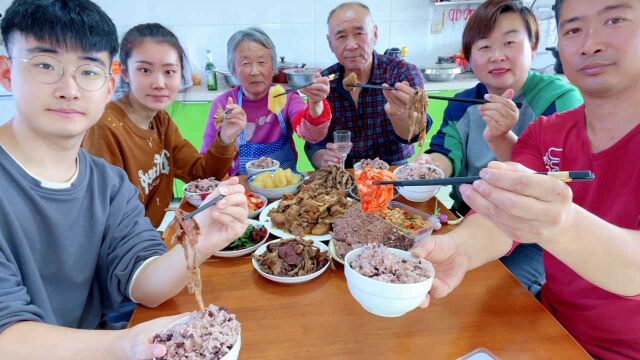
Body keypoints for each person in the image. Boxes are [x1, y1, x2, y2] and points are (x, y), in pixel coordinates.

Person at [0, 1, 247, 358]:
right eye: (44, 65)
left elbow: (146, 282)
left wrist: (202, 241)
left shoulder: (109, 183)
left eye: (88, 71)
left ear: (108, 82)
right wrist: (124, 344)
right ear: (7, 72)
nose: (69, 89)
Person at [412, 0, 640, 358]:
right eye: (574, 29)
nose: (590, 43)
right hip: (552, 329)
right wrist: (459, 249)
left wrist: (559, 224)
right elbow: (506, 212)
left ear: (533, 48)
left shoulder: (551, 100)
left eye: (614, 19)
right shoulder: (544, 133)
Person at [418, 0, 583, 295]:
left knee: (489, 294)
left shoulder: (560, 100)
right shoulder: (462, 102)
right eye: (483, 47)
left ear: (532, 47)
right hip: (470, 219)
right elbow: (446, 153)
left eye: (509, 42)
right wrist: (425, 167)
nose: (497, 56)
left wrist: (503, 136)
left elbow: (561, 185)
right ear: (468, 57)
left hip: (538, 238)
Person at [83, 23, 236, 228]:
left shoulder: (160, 121)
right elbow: (107, 222)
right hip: (119, 251)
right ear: (126, 72)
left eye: (169, 71)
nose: (159, 83)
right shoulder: (104, 128)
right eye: (145, 70)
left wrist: (225, 137)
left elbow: (201, 174)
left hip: (145, 240)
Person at [305, 2, 431, 169]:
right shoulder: (325, 82)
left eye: (359, 33)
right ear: (330, 43)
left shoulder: (402, 74)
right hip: (343, 171)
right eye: (341, 36)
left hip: (393, 170)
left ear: (375, 34)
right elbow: (314, 141)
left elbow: (415, 133)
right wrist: (321, 158)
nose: (351, 45)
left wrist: (401, 114)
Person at [200, 27, 332, 175]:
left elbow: (311, 135)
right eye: (245, 63)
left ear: (273, 67)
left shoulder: (287, 97)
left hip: (286, 188)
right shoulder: (223, 104)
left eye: (262, 62)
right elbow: (207, 164)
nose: (254, 71)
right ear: (233, 70)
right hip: (241, 189)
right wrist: (225, 139)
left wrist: (315, 103)